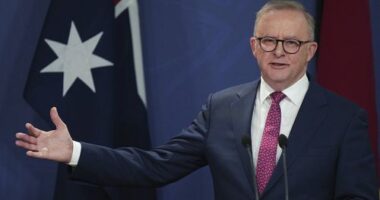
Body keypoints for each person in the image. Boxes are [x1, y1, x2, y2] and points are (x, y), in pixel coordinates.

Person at [15, 1, 378, 199]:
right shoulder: (222, 109)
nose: (279, 51)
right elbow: (154, 165)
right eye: (269, 40)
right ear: (254, 47)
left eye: (292, 43)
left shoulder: (344, 119)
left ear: (310, 51)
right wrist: (76, 151)